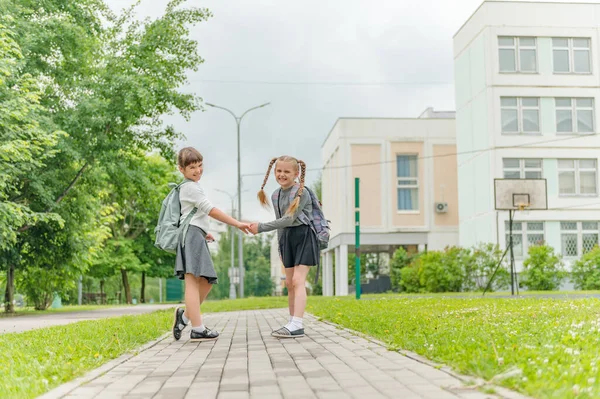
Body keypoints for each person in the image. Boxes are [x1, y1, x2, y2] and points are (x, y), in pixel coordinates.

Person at [172, 147, 251, 341]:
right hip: (190, 236)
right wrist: (237, 223)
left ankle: (185, 317)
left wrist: (202, 231)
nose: (198, 170)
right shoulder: (190, 187)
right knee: (193, 281)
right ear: (181, 169)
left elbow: (192, 213)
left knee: (206, 282)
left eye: (200, 166)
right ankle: (197, 328)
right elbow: (211, 210)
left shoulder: (193, 186)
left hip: (195, 234)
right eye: (192, 167)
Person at [250, 155, 319, 338]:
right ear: (274, 172)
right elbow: (282, 224)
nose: (282, 174)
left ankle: (298, 324)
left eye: (287, 171)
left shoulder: (301, 192)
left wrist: (261, 228)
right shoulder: (275, 194)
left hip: (304, 236)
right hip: (287, 239)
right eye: (279, 171)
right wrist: (281, 246)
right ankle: (291, 322)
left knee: (298, 281)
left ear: (296, 174)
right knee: (288, 283)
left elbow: (289, 219)